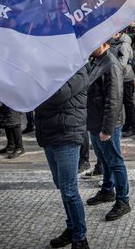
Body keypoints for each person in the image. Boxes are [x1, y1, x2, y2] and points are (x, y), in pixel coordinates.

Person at [35, 66, 91, 249]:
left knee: (69, 189)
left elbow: (58, 94)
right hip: (50, 133)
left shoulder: (79, 68)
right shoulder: (53, 68)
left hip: (67, 133)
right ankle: (72, 227)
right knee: (61, 185)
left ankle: (80, 238)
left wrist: (36, 87)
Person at [85, 42, 131, 221]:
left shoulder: (111, 64)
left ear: (104, 43)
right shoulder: (98, 59)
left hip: (106, 123)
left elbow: (114, 99)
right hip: (95, 120)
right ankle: (107, 190)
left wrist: (107, 128)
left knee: (115, 161)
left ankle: (123, 200)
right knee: (104, 160)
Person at [109, 32, 135, 138]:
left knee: (129, 103)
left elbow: (122, 64)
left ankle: (133, 127)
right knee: (126, 103)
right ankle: (128, 125)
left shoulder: (124, 45)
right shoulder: (118, 43)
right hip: (123, 77)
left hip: (126, 77)